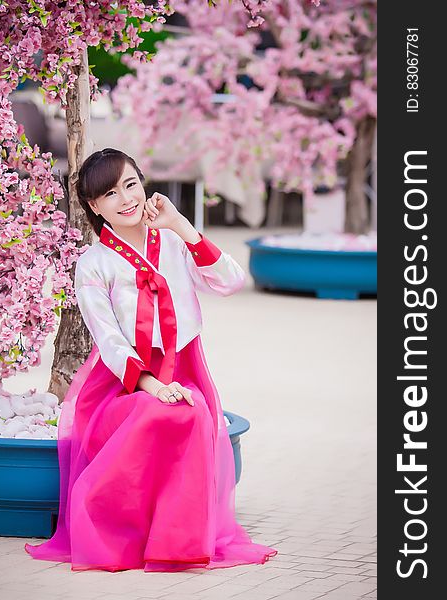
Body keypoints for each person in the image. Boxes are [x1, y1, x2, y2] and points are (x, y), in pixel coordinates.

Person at [24, 148, 278, 572]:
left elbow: (232, 281)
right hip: (121, 385)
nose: (126, 199)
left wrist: (180, 224)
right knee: (155, 413)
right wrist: (153, 387)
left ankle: (176, 542)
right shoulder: (93, 262)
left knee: (192, 413)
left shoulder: (174, 242)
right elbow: (109, 340)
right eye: (110, 193)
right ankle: (122, 533)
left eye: (130, 184)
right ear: (93, 205)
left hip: (183, 370)